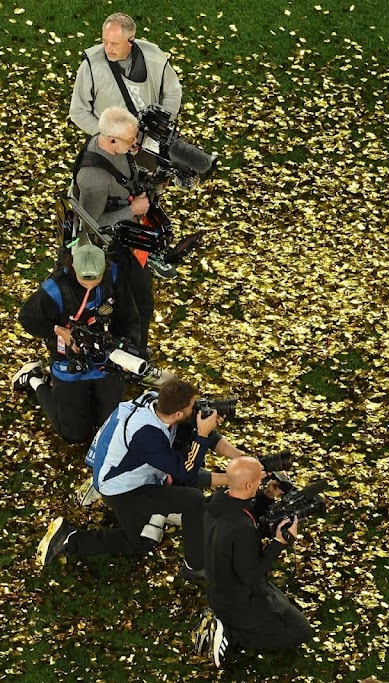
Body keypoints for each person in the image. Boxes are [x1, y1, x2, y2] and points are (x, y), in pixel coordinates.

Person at [36, 379, 231, 579]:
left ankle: (158, 512)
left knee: (186, 449)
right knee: (144, 540)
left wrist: (238, 456)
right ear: (178, 414)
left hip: (131, 472)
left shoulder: (154, 402)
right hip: (123, 491)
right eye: (193, 406)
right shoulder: (145, 434)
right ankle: (69, 538)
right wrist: (203, 435)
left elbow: (189, 432)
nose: (196, 408)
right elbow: (187, 473)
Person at [13, 239, 139, 443]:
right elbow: (28, 319)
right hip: (68, 360)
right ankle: (34, 379)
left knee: (108, 425)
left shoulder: (113, 276)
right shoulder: (54, 288)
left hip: (106, 357)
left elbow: (129, 316)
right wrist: (58, 331)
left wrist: (129, 348)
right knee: (74, 434)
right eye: (84, 282)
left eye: (95, 282)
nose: (90, 286)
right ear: (72, 268)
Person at [194, 456, 313, 667]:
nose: (262, 481)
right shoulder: (242, 529)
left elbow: (245, 513)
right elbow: (250, 575)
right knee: (300, 631)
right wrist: (279, 542)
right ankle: (230, 635)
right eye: (260, 479)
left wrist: (267, 497)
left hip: (220, 589)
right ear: (249, 485)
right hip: (239, 600)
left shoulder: (217, 503)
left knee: (285, 607)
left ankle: (227, 621)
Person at [71, 105, 167, 348]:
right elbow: (91, 224)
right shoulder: (94, 179)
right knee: (137, 304)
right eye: (130, 139)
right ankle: (134, 352)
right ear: (111, 139)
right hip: (113, 248)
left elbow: (123, 169)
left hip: (126, 234)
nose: (135, 143)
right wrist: (131, 211)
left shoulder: (108, 144)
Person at [69, 13, 181, 136]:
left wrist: (162, 122)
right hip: (108, 142)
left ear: (130, 41)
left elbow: (173, 91)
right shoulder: (90, 66)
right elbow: (78, 112)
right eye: (105, 41)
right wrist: (109, 138)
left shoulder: (155, 57)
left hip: (148, 138)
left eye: (114, 44)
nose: (107, 49)